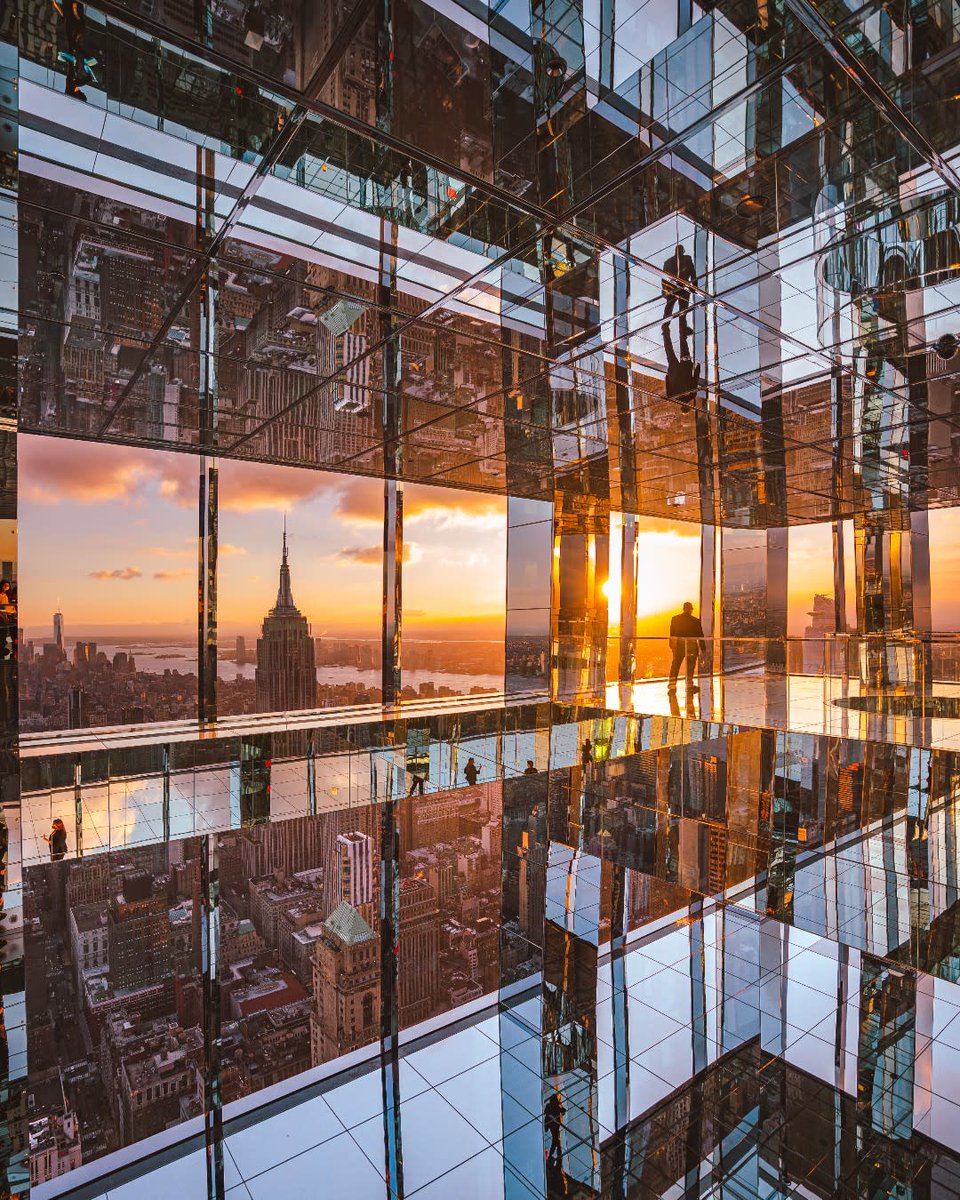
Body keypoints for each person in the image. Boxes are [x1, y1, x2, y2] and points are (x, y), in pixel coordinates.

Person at [662, 321, 701, 415]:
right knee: (669, 349)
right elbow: (667, 382)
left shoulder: (692, 395)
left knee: (683, 347)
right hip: (674, 370)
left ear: (688, 406)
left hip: (685, 367)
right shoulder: (673, 397)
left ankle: (682, 333)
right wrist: (668, 375)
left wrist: (698, 367)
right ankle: (665, 331)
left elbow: (695, 379)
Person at [668, 602, 706, 692]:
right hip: (692, 646)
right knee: (690, 666)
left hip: (678, 645)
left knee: (675, 665)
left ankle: (672, 684)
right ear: (691, 610)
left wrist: (672, 645)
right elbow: (700, 635)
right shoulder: (695, 621)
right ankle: (689, 684)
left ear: (683, 608)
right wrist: (703, 647)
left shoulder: (675, 619)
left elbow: (672, 634)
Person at [661, 244, 697, 329]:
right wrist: (694, 287)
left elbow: (664, 279)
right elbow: (693, 273)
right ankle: (676, 326)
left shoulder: (669, 261)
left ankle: (668, 325)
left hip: (676, 288)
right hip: (679, 287)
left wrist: (664, 290)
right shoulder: (686, 259)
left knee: (676, 308)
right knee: (679, 308)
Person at [544, 1092, 564, 1162]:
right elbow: (546, 1113)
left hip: (554, 1126)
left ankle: (555, 1153)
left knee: (555, 1139)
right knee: (555, 1139)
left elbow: (562, 1110)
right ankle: (556, 1153)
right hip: (553, 1125)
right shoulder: (552, 1106)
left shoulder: (555, 1106)